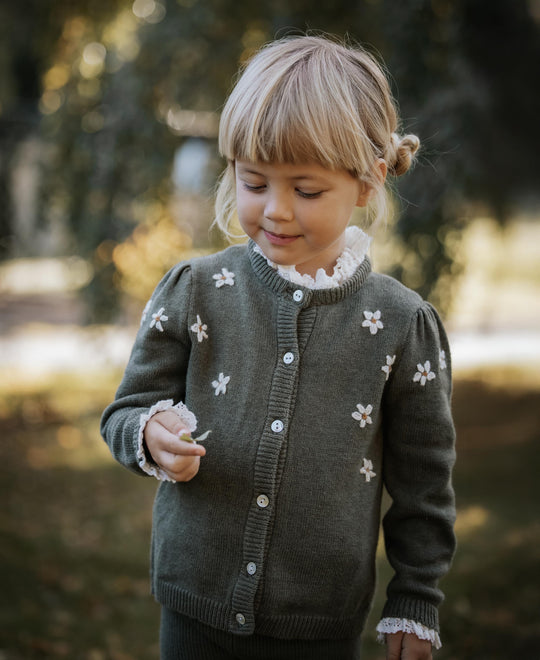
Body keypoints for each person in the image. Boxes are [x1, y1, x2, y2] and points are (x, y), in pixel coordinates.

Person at [101, 34, 456, 660]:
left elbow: (424, 480)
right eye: (254, 181)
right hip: (194, 607)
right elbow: (125, 411)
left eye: (307, 190)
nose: (276, 210)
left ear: (368, 182)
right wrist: (149, 432)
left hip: (319, 624)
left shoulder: (402, 325)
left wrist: (416, 598)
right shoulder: (197, 291)